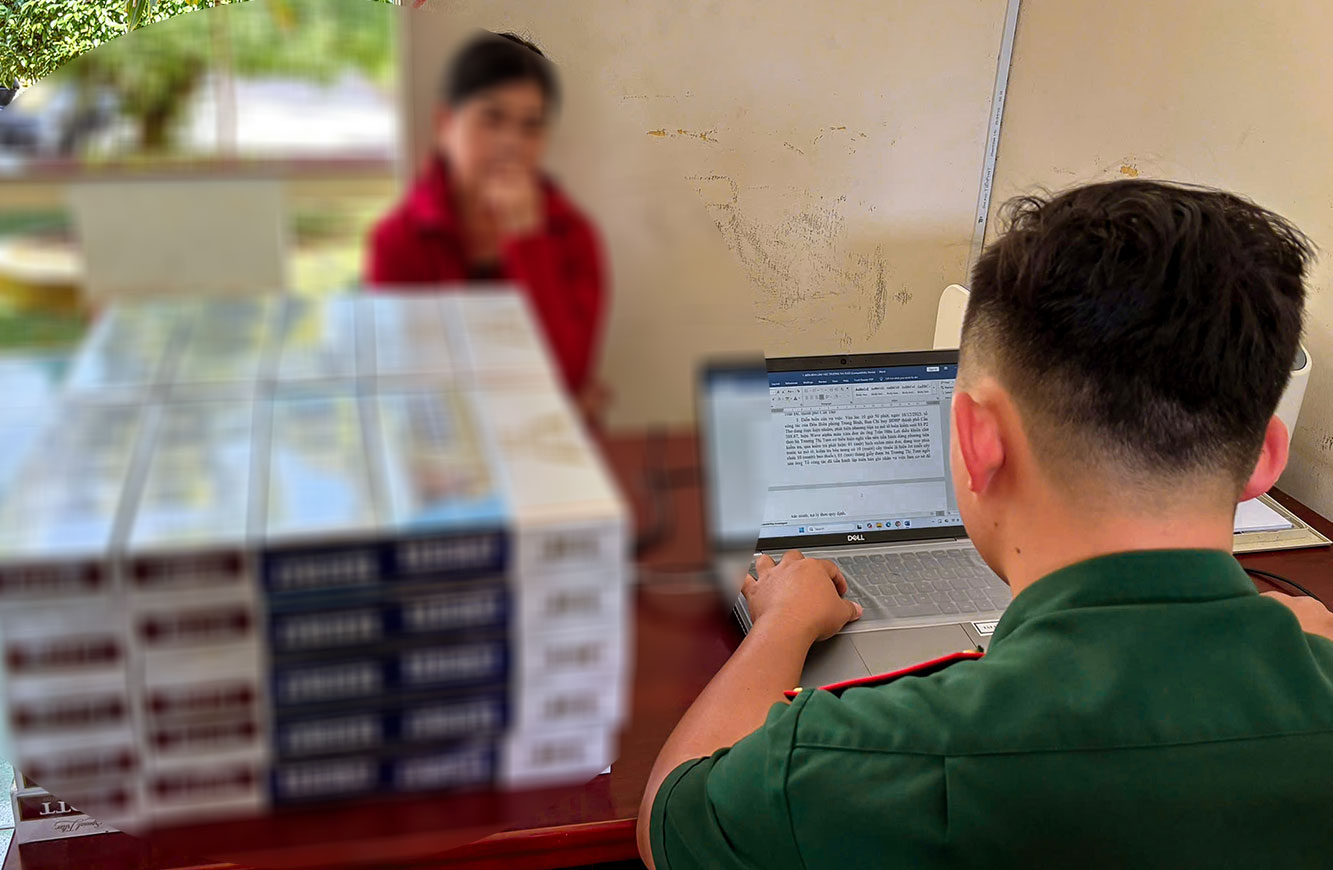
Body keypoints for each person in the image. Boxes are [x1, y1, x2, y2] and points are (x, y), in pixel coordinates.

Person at [639, 180, 1333, 868]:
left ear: (977, 440)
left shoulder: (856, 757)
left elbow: (670, 817)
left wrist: (781, 623)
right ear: (1264, 460)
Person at [366, 31, 607, 417]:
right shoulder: (399, 240)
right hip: (440, 461)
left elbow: (566, 377)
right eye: (492, 119)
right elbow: (403, 389)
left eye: (531, 126)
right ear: (445, 124)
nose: (511, 142)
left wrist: (527, 242)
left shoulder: (574, 236)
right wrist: (550, 403)